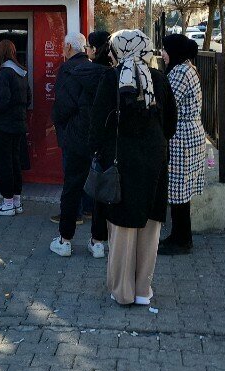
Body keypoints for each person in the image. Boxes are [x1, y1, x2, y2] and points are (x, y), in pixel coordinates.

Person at [89, 29, 177, 306]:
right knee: (150, 228)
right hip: (154, 163)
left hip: (120, 163)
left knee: (122, 229)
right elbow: (171, 125)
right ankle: (142, 291)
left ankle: (122, 292)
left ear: (117, 51)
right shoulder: (159, 80)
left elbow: (97, 125)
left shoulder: (111, 78)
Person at [49, 31, 110, 257]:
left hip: (75, 137)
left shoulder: (68, 70)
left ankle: (65, 240)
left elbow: (63, 105)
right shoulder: (107, 72)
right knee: (99, 188)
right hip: (100, 139)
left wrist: (61, 125)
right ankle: (97, 243)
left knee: (72, 187)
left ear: (68, 47)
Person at [158, 33, 208, 256]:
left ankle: (182, 241)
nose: (162, 53)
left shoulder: (179, 72)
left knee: (179, 190)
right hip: (189, 135)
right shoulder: (187, 67)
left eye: (165, 49)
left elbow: (168, 103)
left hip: (182, 138)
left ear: (174, 51)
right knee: (182, 191)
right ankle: (179, 236)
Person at [0, 40, 31, 216]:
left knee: (5, 164)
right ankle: (17, 202)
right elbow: (28, 98)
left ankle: (7, 204)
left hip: (4, 126)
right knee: (15, 162)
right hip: (19, 124)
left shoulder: (4, 72)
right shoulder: (21, 72)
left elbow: (3, 99)